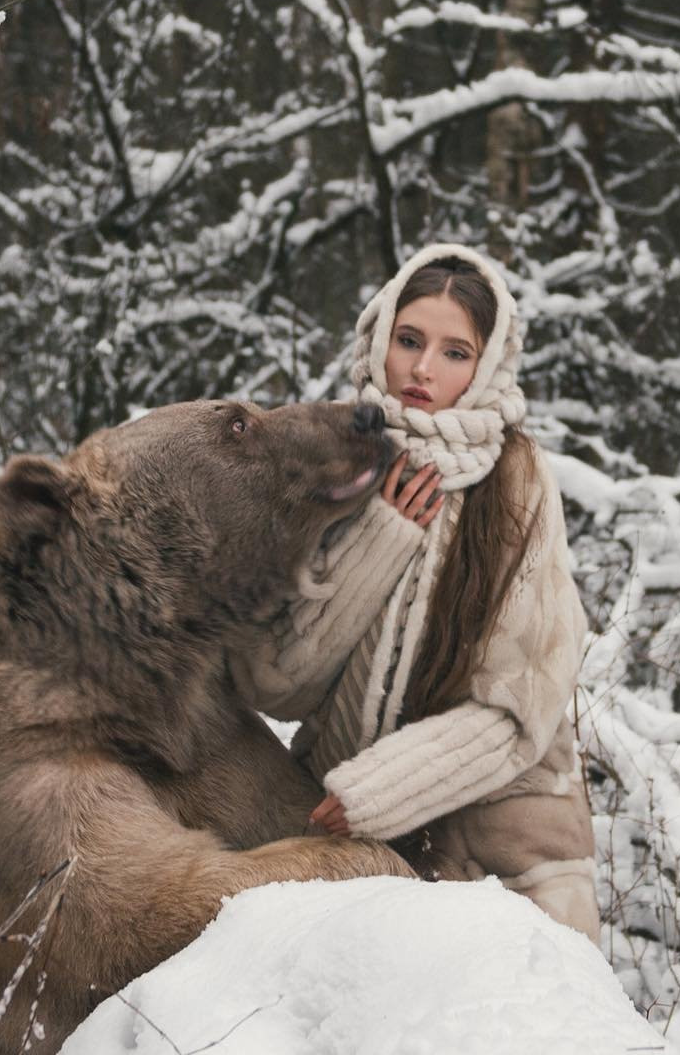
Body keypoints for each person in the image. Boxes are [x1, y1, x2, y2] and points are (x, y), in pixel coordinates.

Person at [232, 242, 599, 942]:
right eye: (409, 341)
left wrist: (377, 793)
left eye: (455, 352)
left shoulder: (515, 478)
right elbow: (271, 679)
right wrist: (384, 537)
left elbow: (520, 711)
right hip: (340, 826)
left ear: (487, 365)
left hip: (507, 838)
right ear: (379, 338)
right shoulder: (330, 455)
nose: (422, 370)